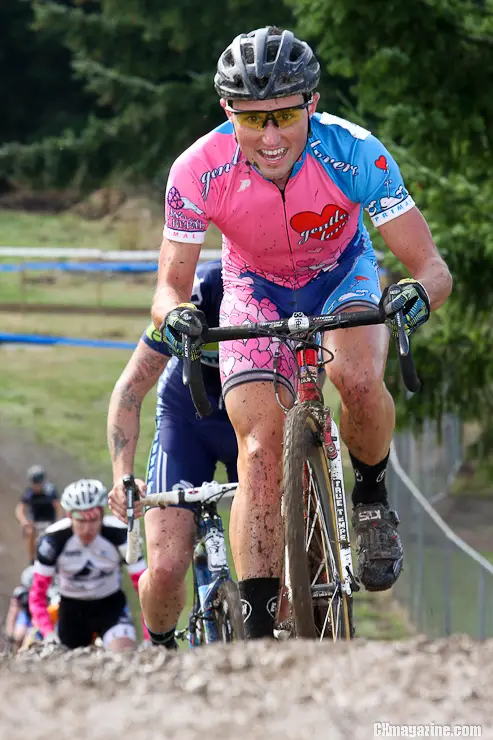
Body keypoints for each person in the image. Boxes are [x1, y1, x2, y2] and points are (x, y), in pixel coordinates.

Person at [151, 26, 453, 639]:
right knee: (259, 448)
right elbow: (168, 288)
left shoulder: (355, 152)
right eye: (252, 117)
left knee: (359, 375)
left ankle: (370, 502)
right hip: (253, 286)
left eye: (285, 115)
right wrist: (176, 315)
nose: (269, 137)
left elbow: (432, 269)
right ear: (226, 110)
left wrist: (417, 296)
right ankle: (259, 632)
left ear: (311, 103)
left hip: (342, 276)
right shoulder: (197, 170)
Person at [107, 259, 238, 649]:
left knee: (280, 554)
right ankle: (161, 648)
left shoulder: (283, 288)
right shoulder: (201, 293)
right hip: (187, 423)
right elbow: (129, 391)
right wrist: (121, 477)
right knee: (164, 569)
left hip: (252, 421)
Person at [29, 478, 148, 651]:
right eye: (81, 520)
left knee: (124, 654)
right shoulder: (53, 540)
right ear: (69, 516)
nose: (87, 528)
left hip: (110, 607)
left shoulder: (121, 535)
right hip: (71, 610)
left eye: (93, 520)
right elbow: (37, 595)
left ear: (102, 513)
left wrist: (148, 636)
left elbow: (144, 588)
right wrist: (48, 633)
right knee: (67, 662)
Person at [15, 465, 64, 563]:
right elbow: (20, 508)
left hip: (50, 520)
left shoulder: (50, 491)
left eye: (39, 483)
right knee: (29, 531)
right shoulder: (29, 493)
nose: (37, 486)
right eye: (35, 484)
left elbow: (58, 506)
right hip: (35, 521)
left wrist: (58, 521)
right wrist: (23, 521)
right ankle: (31, 559)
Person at [4, 566, 35, 652]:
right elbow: (13, 612)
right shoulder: (20, 593)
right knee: (18, 635)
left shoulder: (46, 593)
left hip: (37, 617)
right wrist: (10, 633)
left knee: (29, 640)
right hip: (25, 615)